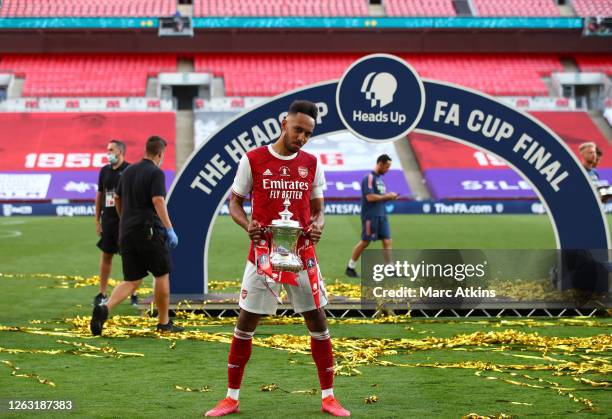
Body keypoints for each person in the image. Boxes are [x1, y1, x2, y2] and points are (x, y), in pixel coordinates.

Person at [204, 100, 350, 417]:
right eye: (298, 129)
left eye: (308, 134)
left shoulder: (312, 163)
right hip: (263, 254)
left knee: (317, 320)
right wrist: (248, 225)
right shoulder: (253, 159)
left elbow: (318, 210)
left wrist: (318, 225)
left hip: (301, 254)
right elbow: (234, 204)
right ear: (284, 123)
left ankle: (329, 397)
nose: (301, 137)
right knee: (246, 321)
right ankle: (231, 397)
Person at [90, 136, 183, 335]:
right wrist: (169, 228)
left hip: (126, 232)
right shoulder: (156, 173)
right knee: (161, 274)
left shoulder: (128, 171)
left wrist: (125, 219)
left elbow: (116, 198)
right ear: (160, 154)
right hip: (149, 231)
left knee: (132, 280)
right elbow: (158, 200)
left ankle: (105, 308)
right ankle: (164, 322)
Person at [93, 140, 138, 307]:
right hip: (109, 220)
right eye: (107, 150)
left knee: (130, 257)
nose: (108, 153)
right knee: (106, 255)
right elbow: (100, 195)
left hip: (126, 221)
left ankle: (133, 293)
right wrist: (97, 220)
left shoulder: (129, 170)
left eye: (111, 150)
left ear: (120, 151)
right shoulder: (104, 171)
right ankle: (102, 293)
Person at [345, 154, 398, 278]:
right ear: (380, 164)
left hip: (382, 215)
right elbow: (369, 197)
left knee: (387, 240)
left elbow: (380, 198)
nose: (388, 169)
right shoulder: (369, 178)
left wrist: (390, 197)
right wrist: (387, 196)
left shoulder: (380, 179)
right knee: (365, 241)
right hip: (371, 216)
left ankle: (390, 269)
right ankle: (350, 267)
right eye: (386, 167)